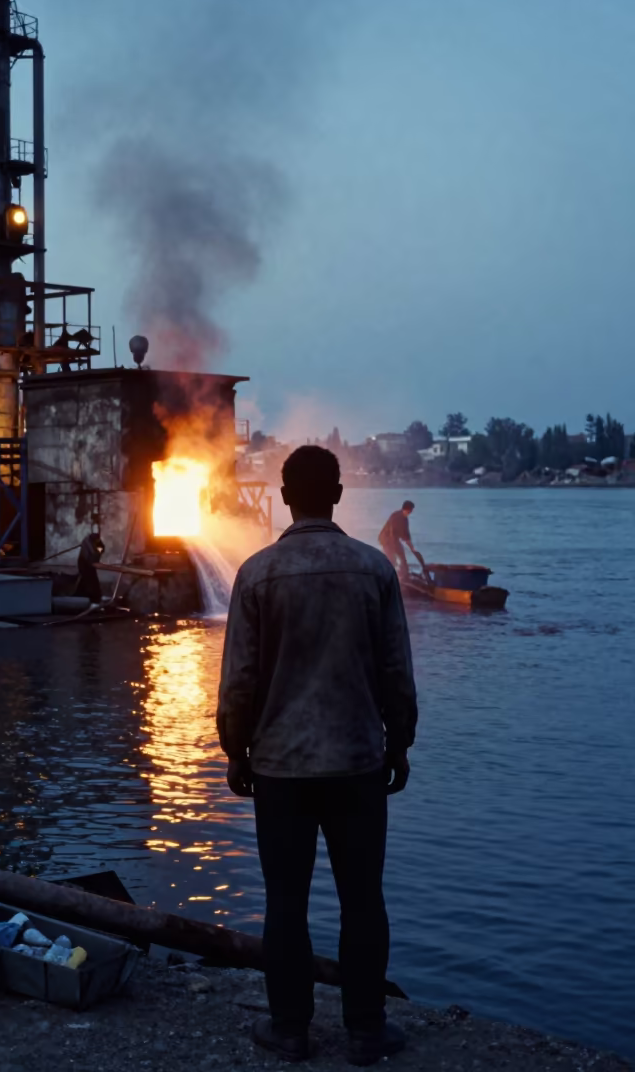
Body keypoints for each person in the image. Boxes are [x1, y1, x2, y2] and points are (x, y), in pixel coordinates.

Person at [217, 445, 417, 1067]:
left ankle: (290, 1030)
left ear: (284, 498)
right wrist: (399, 743)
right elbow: (396, 672)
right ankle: (366, 1031)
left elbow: (238, 682)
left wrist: (236, 751)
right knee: (363, 899)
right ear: (337, 494)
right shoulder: (373, 570)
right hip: (357, 763)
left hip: (281, 768)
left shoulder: (256, 574)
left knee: (285, 901)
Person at [378, 500, 417, 578]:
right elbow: (391, 532)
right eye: (410, 510)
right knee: (392, 560)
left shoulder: (405, 519)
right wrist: (394, 548)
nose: (411, 512)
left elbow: (406, 535)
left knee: (403, 559)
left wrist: (412, 548)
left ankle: (403, 575)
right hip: (386, 540)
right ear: (406, 509)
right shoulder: (395, 516)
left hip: (395, 540)